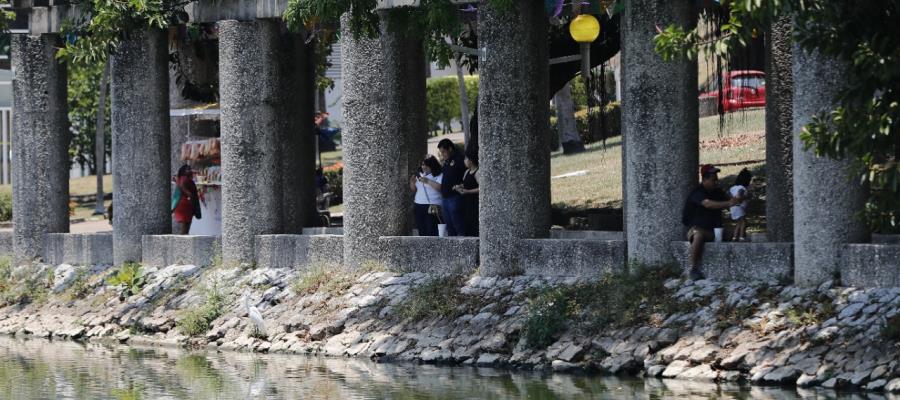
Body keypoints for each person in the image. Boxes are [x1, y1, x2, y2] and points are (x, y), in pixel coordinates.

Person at [681, 164, 743, 280]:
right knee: (698, 236)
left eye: (716, 179)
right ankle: (693, 268)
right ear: (704, 179)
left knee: (739, 233)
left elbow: (730, 198)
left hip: (716, 230)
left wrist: (739, 195)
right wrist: (729, 203)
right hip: (697, 229)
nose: (716, 182)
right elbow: (707, 204)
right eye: (713, 180)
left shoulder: (717, 192)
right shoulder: (697, 192)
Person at [437, 139, 466, 236]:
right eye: (441, 152)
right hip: (445, 197)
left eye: (444, 152)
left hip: (455, 197)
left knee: (458, 223)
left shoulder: (460, 159)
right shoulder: (446, 161)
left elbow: (466, 175)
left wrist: (461, 185)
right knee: (449, 226)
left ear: (450, 148)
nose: (443, 154)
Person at [410, 155, 444, 236]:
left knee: (432, 230)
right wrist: (411, 182)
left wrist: (427, 181)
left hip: (433, 206)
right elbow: (414, 189)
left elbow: (441, 188)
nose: (424, 167)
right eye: (422, 165)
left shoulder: (439, 175)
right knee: (422, 230)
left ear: (432, 165)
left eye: (426, 165)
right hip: (418, 205)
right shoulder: (419, 175)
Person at [454, 151, 479, 236]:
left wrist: (468, 192)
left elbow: (482, 188)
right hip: (466, 202)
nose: (464, 161)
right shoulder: (467, 171)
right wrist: (458, 187)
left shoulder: (478, 172)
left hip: (475, 202)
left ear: (471, 160)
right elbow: (465, 184)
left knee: (474, 224)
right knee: (467, 224)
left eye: (465, 159)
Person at [172, 165, 199, 235]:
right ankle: (182, 241)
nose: (190, 171)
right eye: (188, 170)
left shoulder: (181, 178)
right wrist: (189, 194)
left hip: (183, 204)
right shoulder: (184, 178)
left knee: (186, 224)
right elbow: (182, 186)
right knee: (186, 225)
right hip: (185, 204)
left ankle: (183, 239)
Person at [729, 168, 753, 242]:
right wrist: (747, 196)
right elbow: (739, 196)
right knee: (743, 222)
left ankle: (734, 237)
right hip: (738, 207)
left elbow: (727, 193)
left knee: (739, 223)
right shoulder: (742, 188)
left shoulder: (732, 188)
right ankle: (742, 237)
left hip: (733, 207)